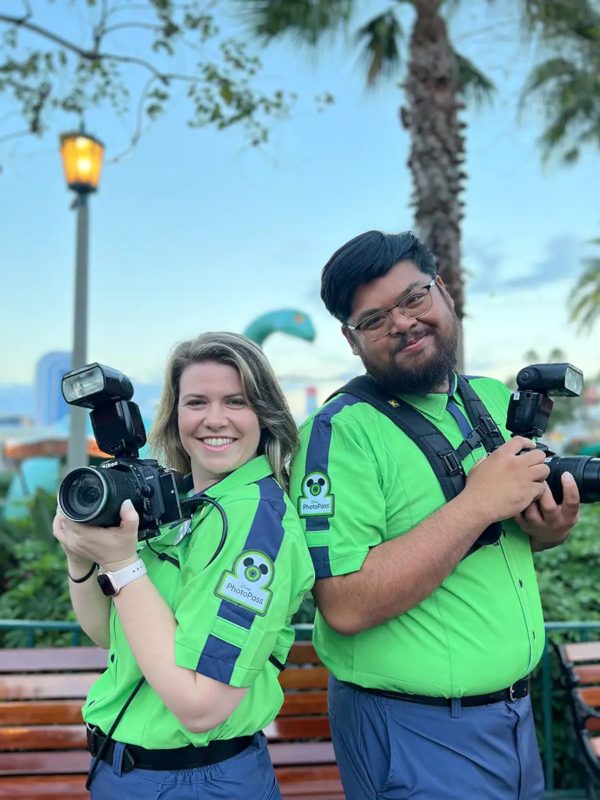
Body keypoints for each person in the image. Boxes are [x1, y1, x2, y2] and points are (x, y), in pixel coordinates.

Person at [289, 231, 580, 800]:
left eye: (414, 298)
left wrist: (547, 531)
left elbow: (502, 542)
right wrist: (475, 503)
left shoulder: (493, 400)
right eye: (373, 320)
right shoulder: (340, 432)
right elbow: (343, 604)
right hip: (412, 731)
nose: (401, 323)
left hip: (516, 718)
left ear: (444, 292)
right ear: (352, 342)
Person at [53, 332, 315, 799]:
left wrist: (123, 563)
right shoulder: (186, 508)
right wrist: (83, 559)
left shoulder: (255, 520)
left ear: (265, 414)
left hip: (197, 780)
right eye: (196, 402)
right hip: (121, 770)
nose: (215, 419)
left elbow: (201, 707)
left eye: (236, 401)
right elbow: (109, 634)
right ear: (175, 418)